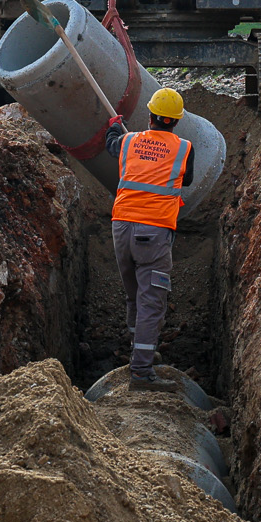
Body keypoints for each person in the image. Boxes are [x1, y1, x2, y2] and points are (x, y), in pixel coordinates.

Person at [104, 87, 194, 391]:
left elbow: (111, 144)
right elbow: (188, 178)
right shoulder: (183, 148)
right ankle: (141, 372)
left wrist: (115, 126)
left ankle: (137, 348)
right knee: (151, 302)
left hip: (121, 228)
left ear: (151, 115)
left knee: (133, 295)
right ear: (176, 121)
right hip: (153, 233)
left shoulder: (128, 141)